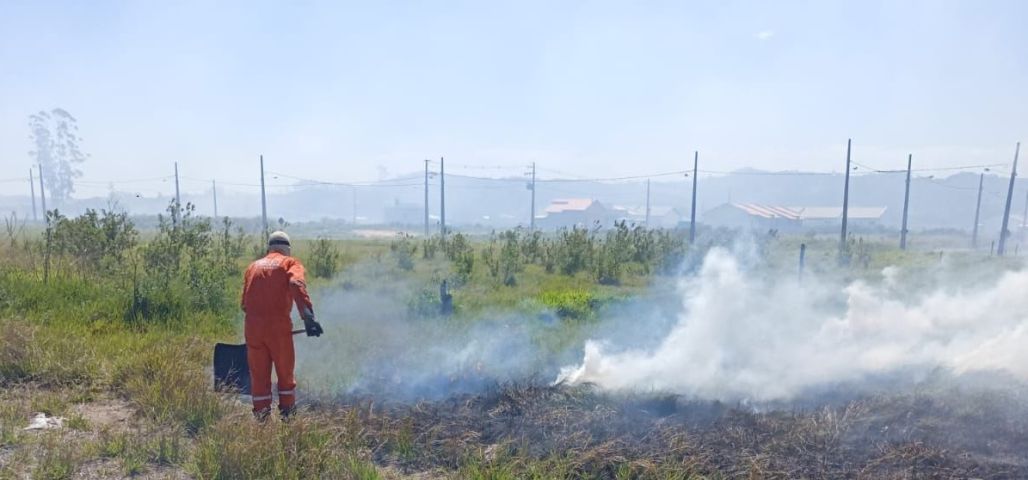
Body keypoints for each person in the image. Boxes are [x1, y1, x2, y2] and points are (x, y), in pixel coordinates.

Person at [240, 231, 323, 419]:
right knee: (285, 375)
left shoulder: (252, 266)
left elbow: (244, 304)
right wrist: (308, 317)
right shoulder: (290, 263)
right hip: (278, 328)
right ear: (287, 249)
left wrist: (259, 322)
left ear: (269, 248)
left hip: (252, 329)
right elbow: (296, 283)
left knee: (259, 378)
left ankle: (261, 419)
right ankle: (287, 417)